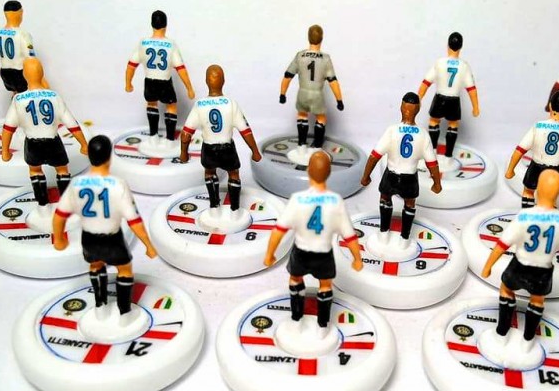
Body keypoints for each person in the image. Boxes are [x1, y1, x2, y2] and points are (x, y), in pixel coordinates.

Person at [53, 135, 158, 319]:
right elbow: (134, 221)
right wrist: (148, 245)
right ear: (109, 157)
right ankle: (124, 312)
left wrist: (59, 238)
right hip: (112, 238)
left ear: (89, 156)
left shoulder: (76, 184)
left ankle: (100, 306)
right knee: (124, 269)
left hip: (89, 238)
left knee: (95, 265)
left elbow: (59, 215)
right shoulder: (118, 184)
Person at [481, 169, 559, 352]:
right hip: (543, 271)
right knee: (538, 300)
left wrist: (488, 265)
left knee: (506, 289)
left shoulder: (524, 216)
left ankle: (502, 333)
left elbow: (503, 244)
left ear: (537, 190)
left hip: (520, 264)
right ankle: (527, 340)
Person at [264, 151, 363, 336]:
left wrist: (270, 253)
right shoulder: (336, 201)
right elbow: (349, 235)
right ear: (329, 172)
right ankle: (322, 326)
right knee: (325, 285)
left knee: (295, 280)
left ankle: (296, 320)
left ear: (308, 170)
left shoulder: (297, 199)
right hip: (323, 254)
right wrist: (357, 258)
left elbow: (279, 230)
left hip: (301, 252)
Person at [1, 58, 88, 207]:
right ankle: (66, 202)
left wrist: (5, 151)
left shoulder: (18, 99)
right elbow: (72, 124)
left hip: (32, 143)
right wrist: (83, 144)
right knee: (62, 169)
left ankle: (42, 202)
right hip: (53, 141)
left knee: (35, 170)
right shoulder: (54, 96)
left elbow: (8, 128)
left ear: (24, 75)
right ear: (42, 74)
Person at [360, 92, 442, 245]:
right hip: (410, 177)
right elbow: (432, 164)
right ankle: (404, 239)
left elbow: (374, 156)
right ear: (418, 109)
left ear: (401, 108)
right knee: (410, 204)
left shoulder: (392, 130)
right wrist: (437, 183)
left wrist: (366, 176)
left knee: (385, 198)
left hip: (391, 174)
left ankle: (383, 233)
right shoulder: (423, 134)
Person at [180, 65, 262, 212]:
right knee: (234, 173)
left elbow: (186, 134)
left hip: (208, 148)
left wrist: (184, 153)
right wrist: (255, 151)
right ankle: (235, 208)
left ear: (206, 81)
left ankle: (214, 206)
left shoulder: (199, 105)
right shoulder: (231, 103)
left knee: (209, 172)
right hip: (227, 148)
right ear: (224, 81)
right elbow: (245, 131)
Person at [125, 10, 195, 142]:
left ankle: (153, 136)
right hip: (165, 81)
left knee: (152, 104)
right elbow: (181, 69)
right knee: (171, 106)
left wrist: (128, 83)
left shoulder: (143, 43)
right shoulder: (171, 44)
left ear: (151, 25)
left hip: (149, 81)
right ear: (166, 25)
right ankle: (169, 139)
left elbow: (131, 65)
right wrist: (189, 88)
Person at [505, 90, 559, 208]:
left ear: (550, 105)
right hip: (554, 170)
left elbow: (520, 150)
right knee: (551, 197)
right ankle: (549, 217)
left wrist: (510, 170)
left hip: (536, 166)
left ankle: (527, 214)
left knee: (528, 191)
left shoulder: (538, 126)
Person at [279, 25, 344, 150]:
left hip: (302, 94)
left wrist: (282, 94)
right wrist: (339, 100)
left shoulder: (300, 56)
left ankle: (301, 145)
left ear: (308, 38)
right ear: (322, 38)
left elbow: (287, 76)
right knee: (321, 118)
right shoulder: (325, 58)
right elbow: (333, 81)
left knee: (302, 115)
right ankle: (317, 147)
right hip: (317, 95)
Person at [417, 31, 480, 157]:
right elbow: (471, 89)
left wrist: (419, 98)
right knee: (453, 124)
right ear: (461, 47)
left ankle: (433, 151)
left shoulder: (440, 62)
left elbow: (426, 82)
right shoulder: (464, 66)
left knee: (434, 121)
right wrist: (475, 107)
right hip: (454, 99)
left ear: (447, 45)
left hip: (440, 97)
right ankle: (448, 154)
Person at [0, 0, 44, 94]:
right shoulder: (23, 34)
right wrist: (40, 80)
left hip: (5, 73)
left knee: (15, 94)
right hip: (20, 72)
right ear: (20, 13)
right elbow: (30, 60)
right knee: (25, 96)